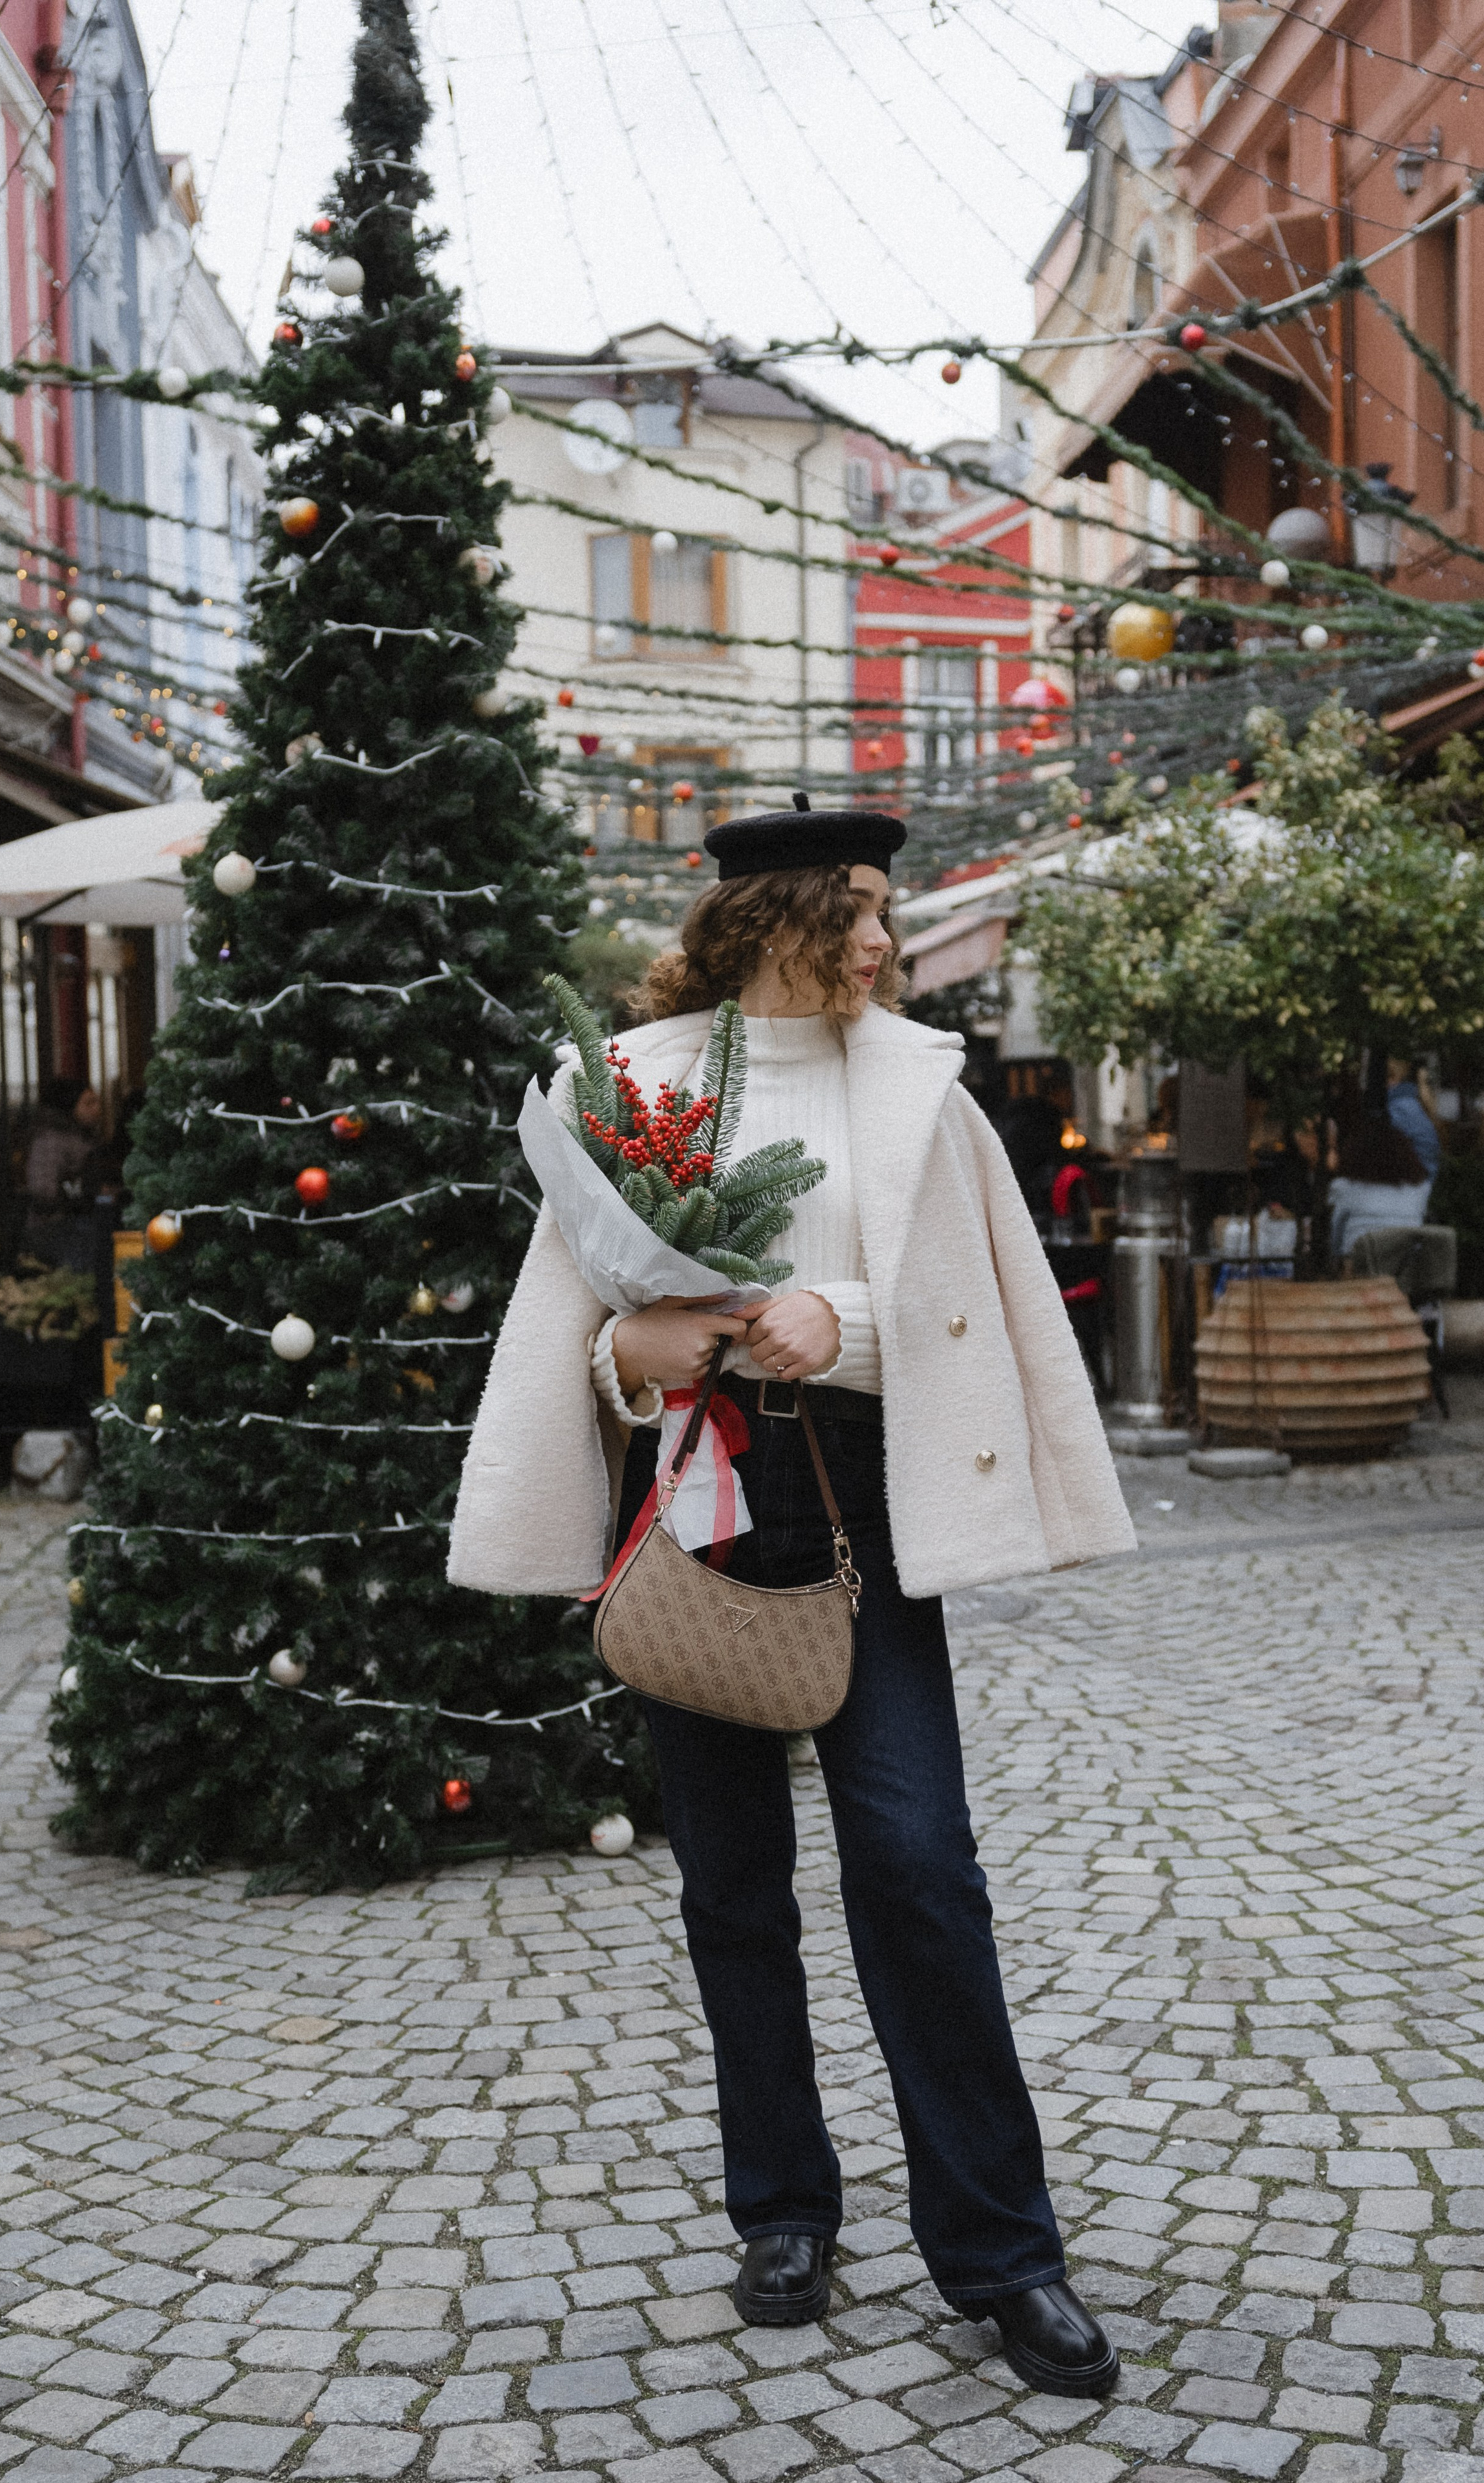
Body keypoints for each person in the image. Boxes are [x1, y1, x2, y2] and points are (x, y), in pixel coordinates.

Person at [449, 797, 1136, 2397]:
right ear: (777, 919)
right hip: (693, 1498)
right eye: (864, 912)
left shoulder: (919, 1086)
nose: (886, 940)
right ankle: (780, 2207)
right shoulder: (630, 1084)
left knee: (916, 1864)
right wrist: (634, 1355)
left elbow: (971, 1300)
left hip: (864, 1509)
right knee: (729, 1880)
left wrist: (842, 1318)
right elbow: (571, 1327)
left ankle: (1000, 2251)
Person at [1329, 1113, 1433, 1263]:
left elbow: (1335, 1236)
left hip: (1360, 1270)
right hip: (1406, 1270)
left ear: (1355, 1155)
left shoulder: (1343, 1187)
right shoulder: (1421, 1188)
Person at [21, 1079, 101, 1266]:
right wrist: (80, 1194)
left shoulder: (79, 1137)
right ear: (70, 1105)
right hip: (55, 1226)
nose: (97, 1108)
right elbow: (42, 1189)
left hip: (70, 1224)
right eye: (88, 1103)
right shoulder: (52, 1140)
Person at [1386, 1060, 1441, 1183]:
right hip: (1421, 1180)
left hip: (1414, 1183)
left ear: (1393, 1078)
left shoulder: (1399, 1107)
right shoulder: (1409, 1101)